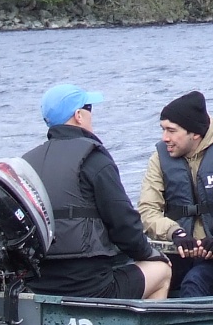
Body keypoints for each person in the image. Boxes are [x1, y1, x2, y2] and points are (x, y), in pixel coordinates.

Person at [23, 83, 172, 300]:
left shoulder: (26, 164)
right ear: (78, 116)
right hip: (90, 286)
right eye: (89, 108)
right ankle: (142, 322)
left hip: (38, 284)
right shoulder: (94, 158)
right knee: (162, 270)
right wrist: (150, 254)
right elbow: (123, 224)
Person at [138, 90, 213, 297]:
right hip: (177, 249)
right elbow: (147, 211)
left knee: (195, 282)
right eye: (163, 130)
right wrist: (175, 233)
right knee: (141, 278)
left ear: (194, 133)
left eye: (171, 131)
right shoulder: (158, 160)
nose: (164, 138)